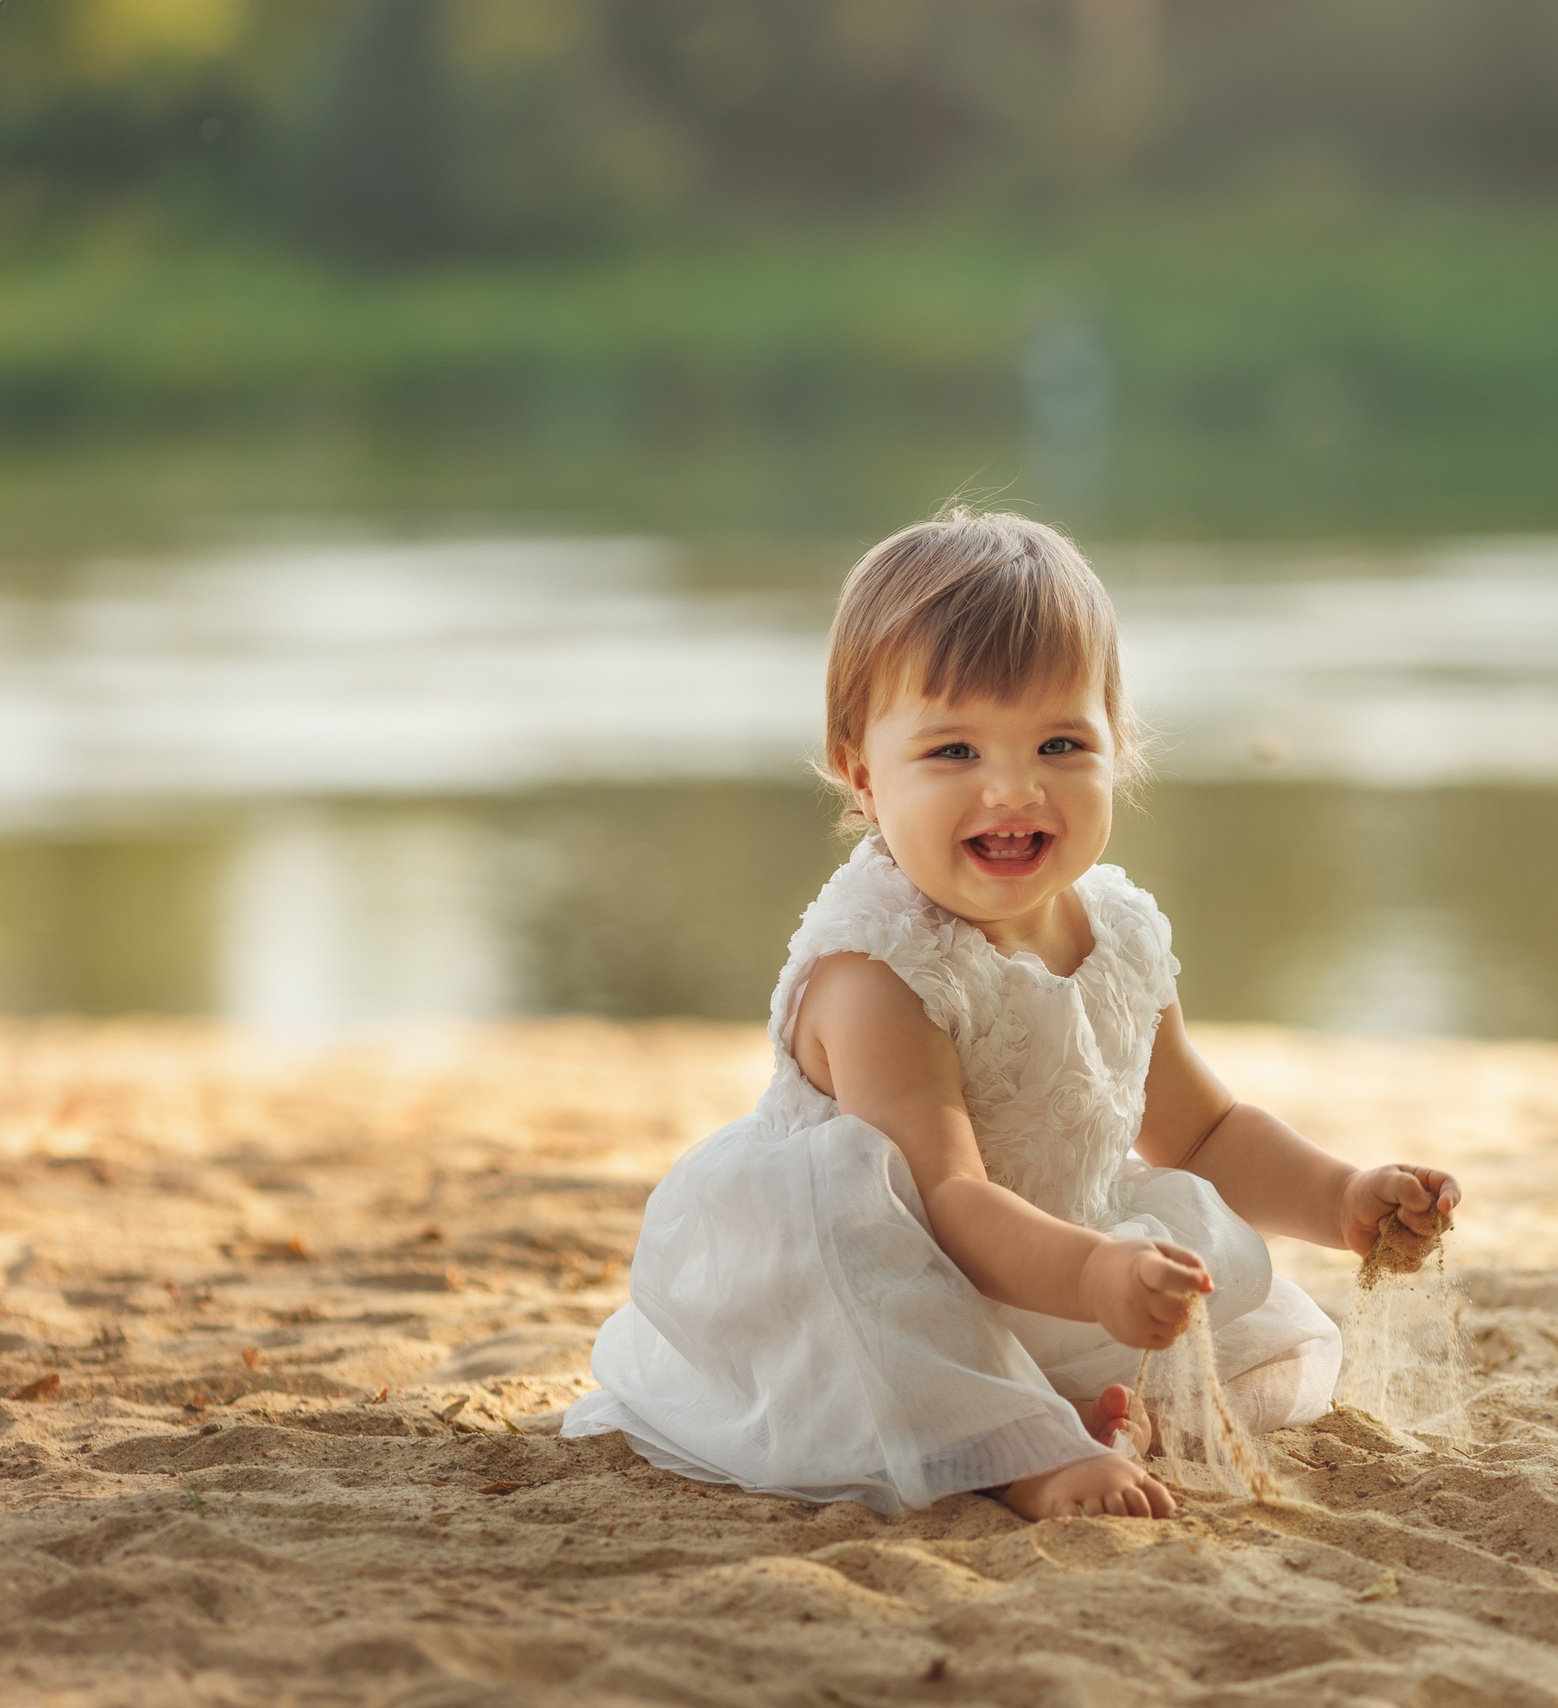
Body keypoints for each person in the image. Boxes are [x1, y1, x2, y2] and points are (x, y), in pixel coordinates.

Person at [564, 509, 1461, 1520]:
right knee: (874, 1276)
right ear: (862, 770)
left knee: (1235, 1320)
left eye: (1059, 741)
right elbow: (946, 1203)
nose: (1012, 786)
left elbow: (1205, 1131)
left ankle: (1070, 1398)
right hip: (890, 1279)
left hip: (1046, 1260)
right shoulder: (878, 972)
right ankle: (1025, 1452)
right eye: (952, 750)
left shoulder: (1114, 931)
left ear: (1115, 747)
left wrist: (1340, 1198)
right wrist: (1092, 1271)